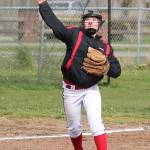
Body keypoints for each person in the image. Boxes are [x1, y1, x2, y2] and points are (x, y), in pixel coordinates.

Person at [36, 0, 121, 150]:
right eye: (88, 20)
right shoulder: (74, 35)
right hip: (70, 90)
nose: (91, 22)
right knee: (74, 128)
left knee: (96, 124)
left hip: (91, 90)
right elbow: (56, 25)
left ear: (99, 25)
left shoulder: (105, 48)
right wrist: (43, 4)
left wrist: (106, 66)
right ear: (83, 23)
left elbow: (116, 71)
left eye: (94, 20)